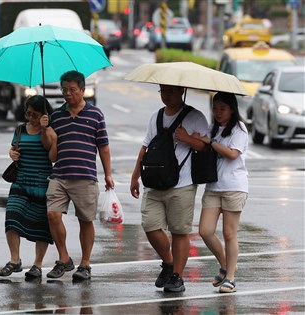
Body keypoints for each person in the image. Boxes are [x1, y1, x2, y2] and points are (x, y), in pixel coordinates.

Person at [130, 84, 208, 292]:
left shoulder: (195, 117)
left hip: (182, 184)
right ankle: (168, 262)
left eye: (172, 91)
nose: (167, 95)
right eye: (164, 91)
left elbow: (204, 146)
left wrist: (187, 139)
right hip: (154, 182)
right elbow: (145, 146)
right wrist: (134, 176)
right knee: (150, 225)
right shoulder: (155, 117)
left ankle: (177, 277)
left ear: (182, 91)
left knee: (179, 231)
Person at [46, 70, 114, 281]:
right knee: (52, 215)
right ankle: (64, 258)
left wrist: (108, 175)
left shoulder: (95, 115)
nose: (68, 94)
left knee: (86, 220)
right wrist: (45, 130)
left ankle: (85, 264)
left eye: (72, 90)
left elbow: (103, 147)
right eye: (64, 89)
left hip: (85, 176)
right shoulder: (56, 116)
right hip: (60, 175)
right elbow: (51, 153)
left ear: (83, 90)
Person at [0, 95, 57, 280]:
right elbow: (14, 147)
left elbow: (52, 156)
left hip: (41, 182)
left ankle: (37, 265)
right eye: (28, 113)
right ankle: (15, 260)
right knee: (12, 218)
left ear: (44, 115)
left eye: (35, 115)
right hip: (21, 179)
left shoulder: (51, 131)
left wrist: (47, 130)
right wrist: (12, 153)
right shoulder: (20, 129)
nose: (30, 118)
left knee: (41, 226)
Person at [193, 92, 248, 293]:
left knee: (229, 233)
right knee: (205, 231)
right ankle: (226, 265)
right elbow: (203, 145)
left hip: (234, 186)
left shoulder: (239, 129)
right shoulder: (213, 128)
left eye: (222, 109)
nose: (217, 113)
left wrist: (210, 143)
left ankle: (230, 279)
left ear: (232, 109)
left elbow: (233, 154)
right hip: (214, 186)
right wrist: (196, 140)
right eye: (215, 108)